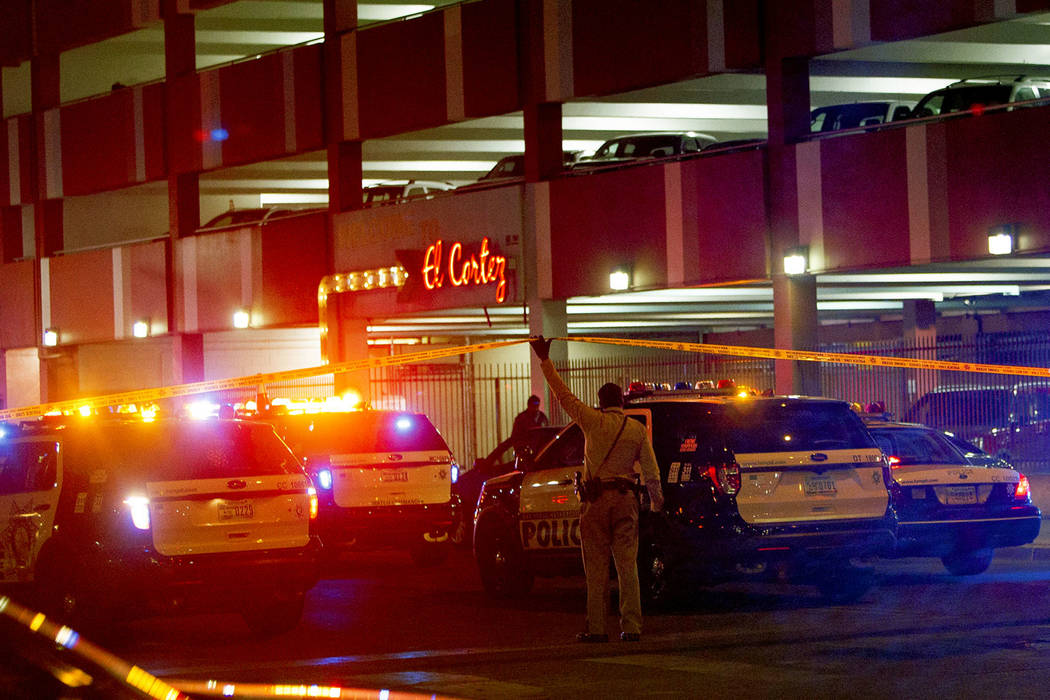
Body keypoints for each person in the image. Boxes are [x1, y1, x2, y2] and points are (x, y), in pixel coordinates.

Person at [529, 335, 663, 643]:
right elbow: (652, 471)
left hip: (596, 500)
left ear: (601, 403)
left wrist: (545, 361)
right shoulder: (637, 429)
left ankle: (598, 628)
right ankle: (631, 627)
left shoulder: (591, 421)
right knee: (628, 567)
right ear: (622, 402)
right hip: (627, 499)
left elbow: (563, 395)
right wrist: (656, 504)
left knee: (597, 569)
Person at [482, 394, 549, 466]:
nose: (535, 407)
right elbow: (515, 437)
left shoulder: (542, 418)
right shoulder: (522, 418)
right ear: (529, 405)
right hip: (525, 456)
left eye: (536, 404)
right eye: (533, 405)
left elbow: (546, 435)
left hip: (540, 455)